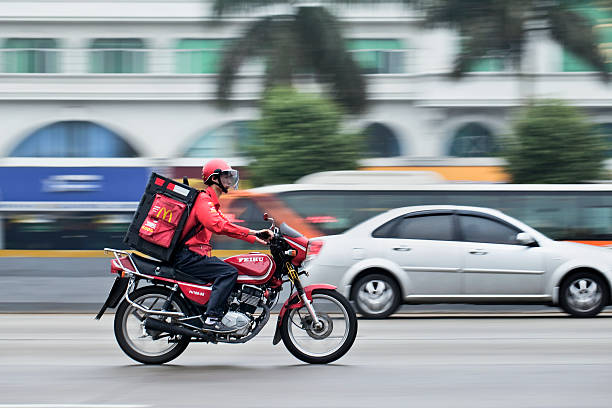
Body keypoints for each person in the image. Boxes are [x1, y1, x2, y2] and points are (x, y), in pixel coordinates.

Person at [173, 158, 272, 333]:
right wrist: (252, 233)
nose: (229, 180)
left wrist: (255, 237)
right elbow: (218, 226)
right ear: (214, 178)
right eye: (225, 176)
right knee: (228, 272)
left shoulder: (211, 203)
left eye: (229, 176)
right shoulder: (203, 200)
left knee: (231, 269)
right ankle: (212, 319)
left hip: (195, 256)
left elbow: (227, 227)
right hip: (189, 256)